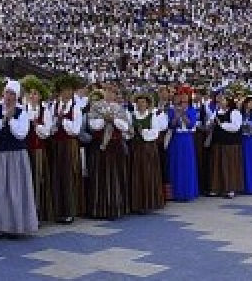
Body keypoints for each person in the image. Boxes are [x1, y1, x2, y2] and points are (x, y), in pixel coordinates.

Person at [0, 79, 39, 238]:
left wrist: (11, 119)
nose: (9, 97)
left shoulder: (22, 113)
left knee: (15, 191)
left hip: (15, 157)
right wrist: (4, 119)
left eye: (12, 94)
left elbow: (21, 133)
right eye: (7, 93)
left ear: (17, 96)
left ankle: (15, 226)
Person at [86, 85, 131, 220]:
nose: (110, 94)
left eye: (113, 92)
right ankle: (99, 209)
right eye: (108, 92)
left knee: (116, 176)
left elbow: (126, 126)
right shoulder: (96, 106)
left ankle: (115, 207)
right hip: (100, 146)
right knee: (99, 176)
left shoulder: (120, 108)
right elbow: (92, 125)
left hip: (115, 146)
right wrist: (104, 119)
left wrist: (113, 120)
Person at [48, 76, 85, 223]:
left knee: (68, 176)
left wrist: (63, 120)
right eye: (64, 90)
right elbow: (50, 127)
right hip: (55, 144)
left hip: (69, 145)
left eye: (69, 90)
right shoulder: (53, 106)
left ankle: (70, 211)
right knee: (56, 175)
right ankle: (57, 210)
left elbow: (75, 130)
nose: (66, 93)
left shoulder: (76, 107)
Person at [20, 77, 55, 225]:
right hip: (25, 150)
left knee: (38, 179)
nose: (32, 96)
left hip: (39, 150)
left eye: (35, 94)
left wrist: (36, 126)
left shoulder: (44, 111)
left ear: (40, 96)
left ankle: (39, 213)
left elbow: (47, 132)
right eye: (30, 93)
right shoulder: (22, 110)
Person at [128, 93, 166, 214]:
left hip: (148, 148)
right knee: (136, 174)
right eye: (139, 103)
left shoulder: (152, 116)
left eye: (143, 103)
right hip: (135, 148)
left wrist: (143, 132)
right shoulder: (132, 116)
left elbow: (156, 132)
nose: (141, 105)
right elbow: (127, 132)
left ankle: (148, 202)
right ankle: (136, 203)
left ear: (147, 104)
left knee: (148, 174)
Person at [165, 87, 199, 202]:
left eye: (185, 96)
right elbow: (171, 125)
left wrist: (183, 114)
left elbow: (191, 125)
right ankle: (175, 193)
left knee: (187, 165)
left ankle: (187, 192)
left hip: (187, 139)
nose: (183, 99)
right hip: (176, 139)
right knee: (175, 164)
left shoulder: (192, 110)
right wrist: (176, 115)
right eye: (181, 96)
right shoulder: (171, 110)